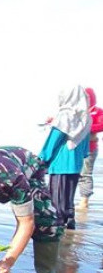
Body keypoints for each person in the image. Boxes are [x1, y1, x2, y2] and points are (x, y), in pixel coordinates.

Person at [39, 85, 91, 230]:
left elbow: (53, 140)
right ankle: (69, 221)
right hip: (75, 163)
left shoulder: (65, 116)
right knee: (68, 196)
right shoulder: (86, 117)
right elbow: (86, 145)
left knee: (57, 197)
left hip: (61, 162)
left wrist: (42, 158)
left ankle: (57, 227)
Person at [78, 87, 103, 210]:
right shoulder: (77, 112)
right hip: (76, 148)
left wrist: (87, 126)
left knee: (85, 173)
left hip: (90, 148)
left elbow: (101, 125)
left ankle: (84, 201)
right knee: (74, 173)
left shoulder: (98, 112)